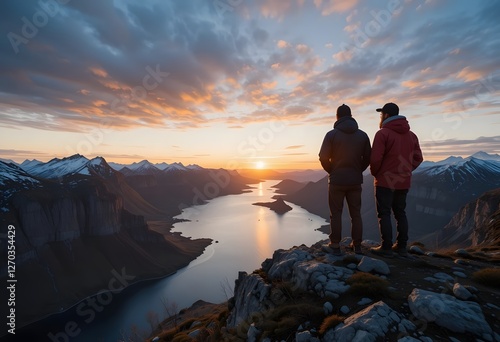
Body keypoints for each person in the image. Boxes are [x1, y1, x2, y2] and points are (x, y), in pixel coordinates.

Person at [370, 102, 423, 258]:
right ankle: (401, 246)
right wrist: (405, 171)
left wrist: (377, 174)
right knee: (400, 213)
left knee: (384, 213)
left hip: (385, 182)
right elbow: (418, 158)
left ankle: (386, 247)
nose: (380, 117)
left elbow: (375, 159)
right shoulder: (411, 135)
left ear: (386, 115)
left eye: (381, 114)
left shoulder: (383, 134)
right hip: (403, 182)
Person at [319, 104, 371, 255]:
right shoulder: (363, 135)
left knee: (336, 213)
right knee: (356, 213)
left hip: (337, 181)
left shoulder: (331, 135)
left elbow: (323, 157)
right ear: (351, 115)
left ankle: (335, 244)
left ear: (337, 117)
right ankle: (357, 245)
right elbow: (368, 157)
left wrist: (332, 170)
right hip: (355, 181)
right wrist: (358, 170)